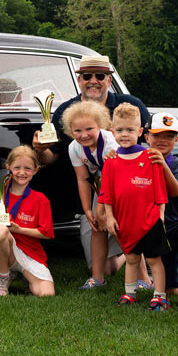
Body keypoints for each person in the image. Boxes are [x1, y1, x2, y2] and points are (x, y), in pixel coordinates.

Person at [32, 54, 150, 286]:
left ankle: (144, 275)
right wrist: (39, 150)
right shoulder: (67, 116)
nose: (93, 80)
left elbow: (142, 153)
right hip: (98, 192)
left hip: (127, 190)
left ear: (109, 79)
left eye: (100, 75)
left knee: (123, 230)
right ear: (79, 80)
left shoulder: (130, 107)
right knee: (102, 260)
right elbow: (69, 170)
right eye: (87, 75)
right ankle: (103, 274)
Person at [99, 103, 170, 310]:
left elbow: (160, 189)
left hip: (149, 219)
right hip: (124, 220)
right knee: (131, 258)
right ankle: (130, 293)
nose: (124, 134)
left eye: (130, 130)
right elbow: (107, 193)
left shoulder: (150, 157)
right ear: (112, 132)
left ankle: (160, 296)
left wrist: (161, 214)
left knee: (154, 260)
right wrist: (109, 217)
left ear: (140, 132)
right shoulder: (111, 161)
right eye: (119, 130)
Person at [61, 100, 133, 290]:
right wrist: (88, 210)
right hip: (101, 187)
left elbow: (116, 182)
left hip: (123, 188)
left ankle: (144, 279)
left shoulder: (111, 144)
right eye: (77, 131)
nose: (83, 135)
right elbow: (83, 179)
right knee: (96, 227)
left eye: (89, 129)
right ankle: (97, 278)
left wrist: (101, 211)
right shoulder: (74, 148)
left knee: (120, 231)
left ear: (100, 125)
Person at [0, 145, 55, 298]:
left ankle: (25, 277)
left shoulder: (40, 200)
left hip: (31, 253)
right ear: (8, 168)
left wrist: (17, 229)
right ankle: (4, 276)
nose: (22, 172)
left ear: (35, 170)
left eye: (28, 168)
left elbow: (46, 233)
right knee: (0, 231)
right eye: (17, 168)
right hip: (7, 252)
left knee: (46, 294)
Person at [145, 113, 178, 308]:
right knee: (165, 286)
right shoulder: (140, 161)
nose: (162, 141)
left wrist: (162, 164)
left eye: (169, 136)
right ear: (146, 137)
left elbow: (176, 193)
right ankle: (165, 286)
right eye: (157, 135)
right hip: (155, 221)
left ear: (176, 139)